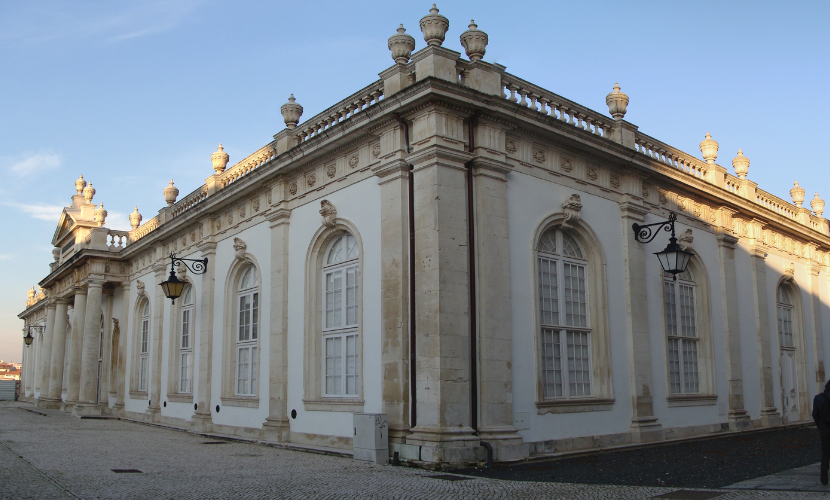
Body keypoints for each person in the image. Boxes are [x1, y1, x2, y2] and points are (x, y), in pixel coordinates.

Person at [812, 380, 830, 485]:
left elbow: (815, 413)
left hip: (824, 427)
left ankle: (824, 473)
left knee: (825, 451)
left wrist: (820, 425)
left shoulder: (818, 398)